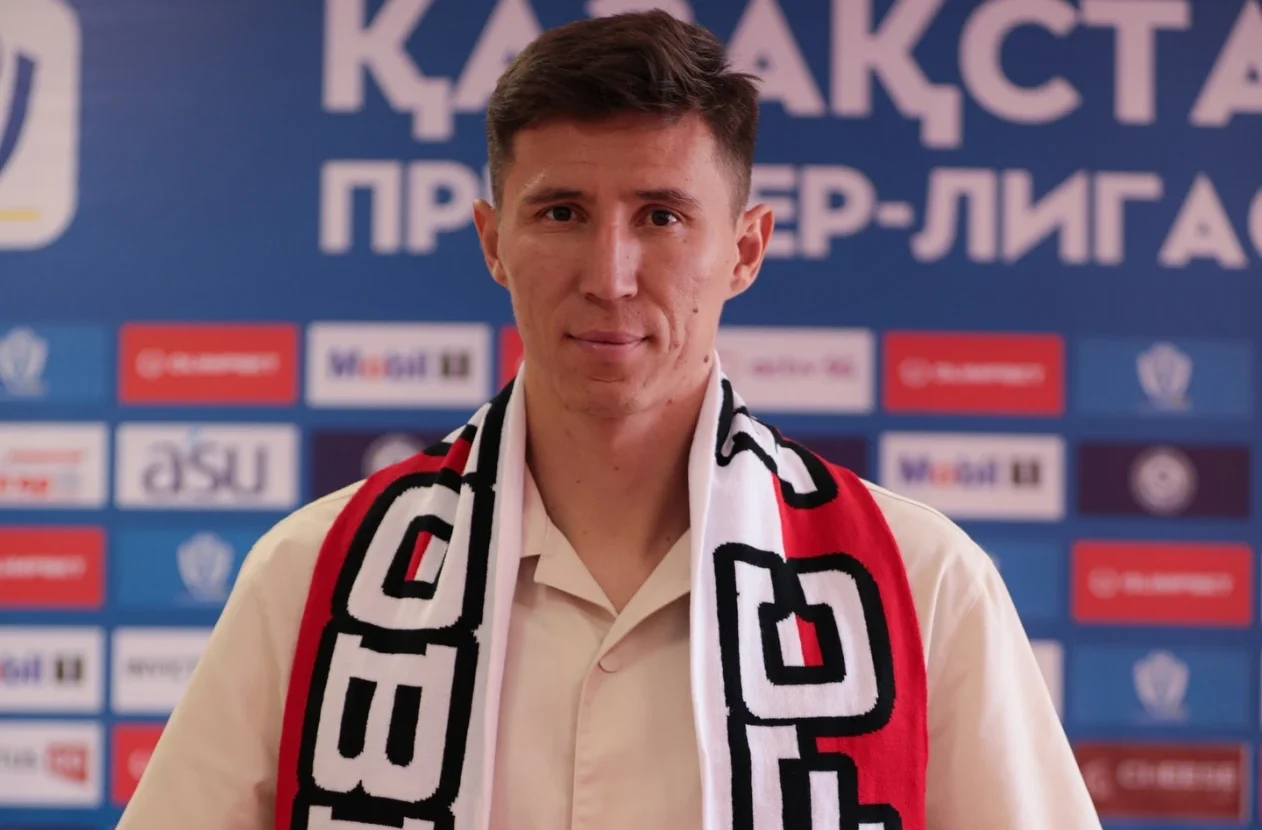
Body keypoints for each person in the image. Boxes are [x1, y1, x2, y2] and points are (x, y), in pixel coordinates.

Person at [117, 10, 1102, 830]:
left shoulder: (919, 584)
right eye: (561, 213)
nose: (610, 276)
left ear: (745, 249)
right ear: (492, 240)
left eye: (661, 216)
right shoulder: (314, 575)